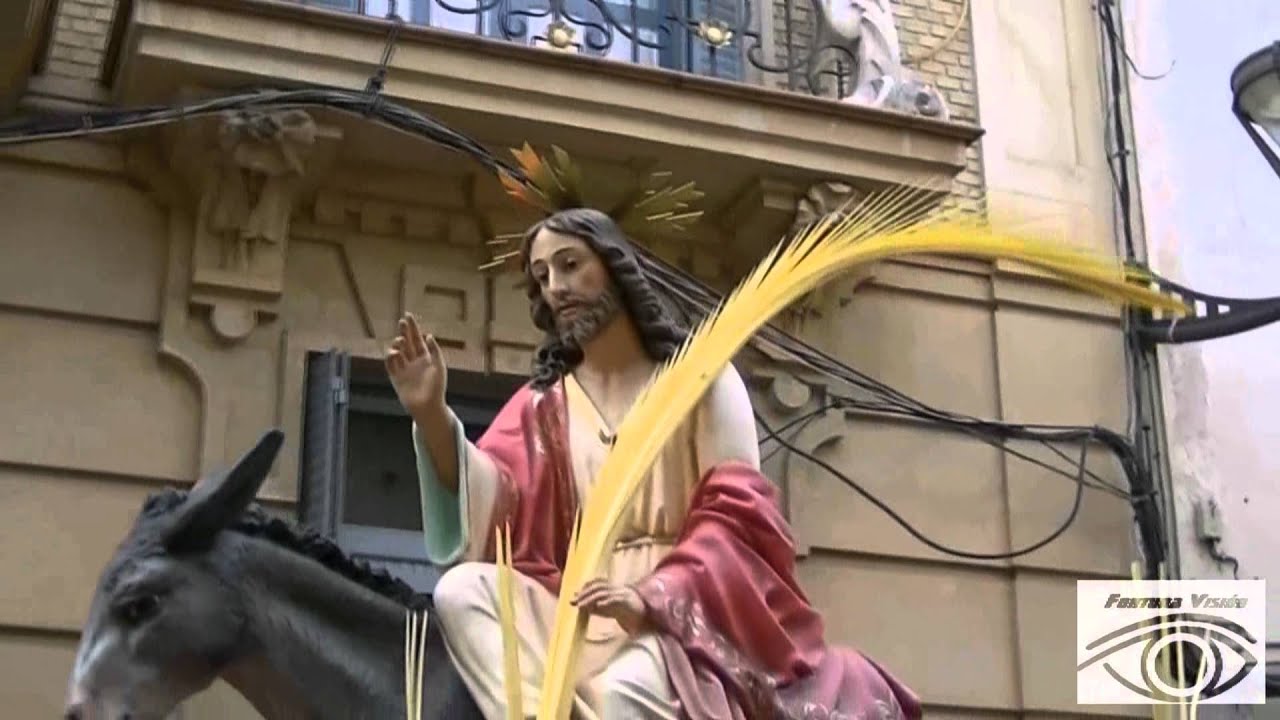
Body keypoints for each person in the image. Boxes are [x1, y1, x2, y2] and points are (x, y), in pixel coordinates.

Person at [385, 207, 921, 720]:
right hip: (576, 605)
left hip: (676, 616)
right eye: (542, 275)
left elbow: (738, 523)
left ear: (616, 269)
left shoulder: (700, 384)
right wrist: (432, 415)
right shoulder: (543, 405)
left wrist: (649, 600)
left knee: (626, 694)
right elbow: (496, 506)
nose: (556, 287)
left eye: (571, 265)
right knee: (463, 591)